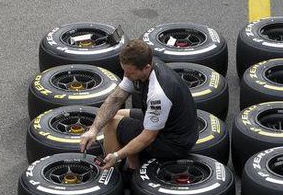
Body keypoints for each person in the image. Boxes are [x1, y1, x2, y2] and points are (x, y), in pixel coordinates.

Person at [78, 39, 197, 171]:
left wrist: (117, 156)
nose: (126, 76)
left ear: (146, 67)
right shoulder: (144, 65)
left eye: (130, 73)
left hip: (175, 142)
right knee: (114, 115)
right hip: (168, 122)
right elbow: (116, 99)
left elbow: (147, 137)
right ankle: (133, 163)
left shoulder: (158, 93)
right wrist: (93, 130)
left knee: (113, 124)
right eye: (124, 71)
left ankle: (112, 172)